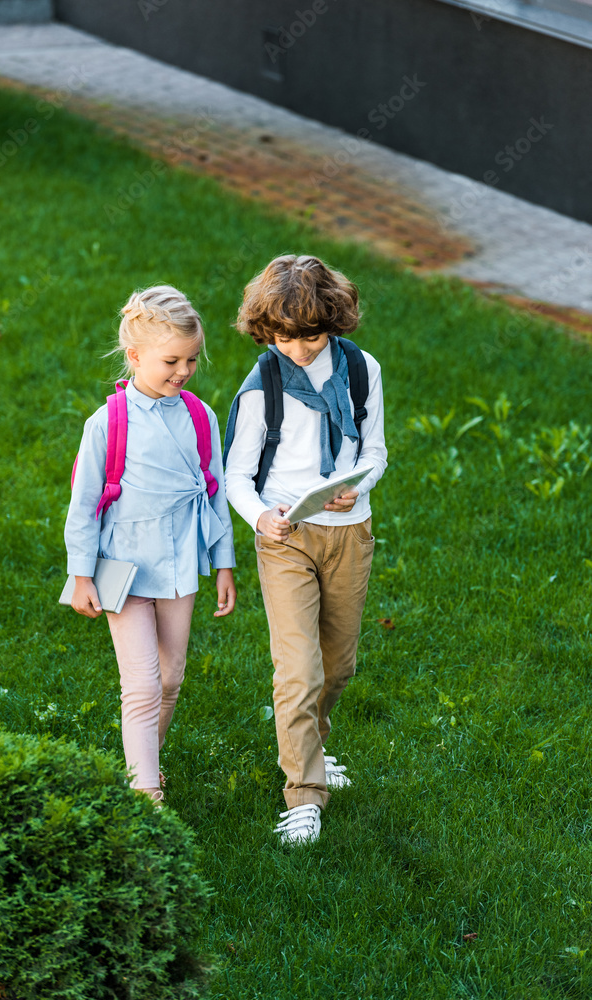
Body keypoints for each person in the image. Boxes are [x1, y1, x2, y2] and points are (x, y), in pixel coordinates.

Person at [224, 255, 387, 843]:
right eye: (286, 339)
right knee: (297, 670)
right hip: (287, 538)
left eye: (313, 337)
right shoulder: (260, 387)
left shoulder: (362, 371)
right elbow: (236, 476)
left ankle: (310, 748)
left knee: (336, 666)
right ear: (266, 332)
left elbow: (375, 453)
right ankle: (304, 794)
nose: (300, 351)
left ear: (335, 324)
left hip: (349, 532)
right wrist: (261, 516)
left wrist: (355, 486)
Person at [65, 285, 236, 806]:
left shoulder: (201, 417)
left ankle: (145, 762)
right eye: (171, 360)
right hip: (124, 565)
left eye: (191, 359)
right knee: (141, 683)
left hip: (182, 563)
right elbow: (84, 505)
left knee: (171, 679)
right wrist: (81, 573)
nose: (183, 370)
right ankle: (146, 792)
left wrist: (223, 562)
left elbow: (216, 492)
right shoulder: (108, 424)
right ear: (135, 356)